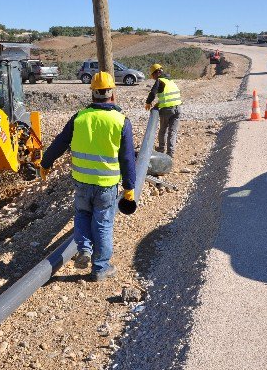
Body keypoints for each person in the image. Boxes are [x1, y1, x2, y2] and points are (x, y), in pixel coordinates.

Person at [39, 71, 137, 281]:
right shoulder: (121, 121)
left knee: (82, 215)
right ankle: (100, 268)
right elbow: (128, 158)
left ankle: (84, 249)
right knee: (102, 223)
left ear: (92, 93)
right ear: (112, 94)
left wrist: (45, 163)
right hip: (106, 185)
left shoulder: (79, 118)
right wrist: (129, 188)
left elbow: (59, 143)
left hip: (82, 182)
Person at [144, 63, 182, 158]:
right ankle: (170, 153)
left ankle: (161, 149)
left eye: (152, 75)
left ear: (156, 73)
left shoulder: (159, 81)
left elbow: (153, 93)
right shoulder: (170, 81)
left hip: (167, 110)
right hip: (178, 108)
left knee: (163, 130)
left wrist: (148, 102)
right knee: (172, 131)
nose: (153, 78)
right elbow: (168, 95)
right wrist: (159, 103)